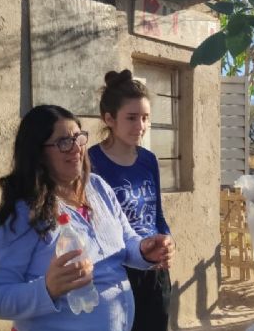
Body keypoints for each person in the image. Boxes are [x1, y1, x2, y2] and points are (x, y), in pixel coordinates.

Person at [0, 105, 175, 331]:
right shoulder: (24, 212)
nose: (76, 149)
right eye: (63, 143)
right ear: (38, 153)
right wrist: (47, 289)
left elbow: (124, 241)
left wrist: (143, 250)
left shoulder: (98, 188)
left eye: (78, 138)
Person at [87, 69, 173, 331]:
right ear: (109, 118)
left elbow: (157, 214)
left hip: (156, 271)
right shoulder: (91, 162)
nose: (141, 126)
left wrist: (168, 241)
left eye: (145, 118)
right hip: (118, 274)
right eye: (132, 118)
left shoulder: (148, 160)